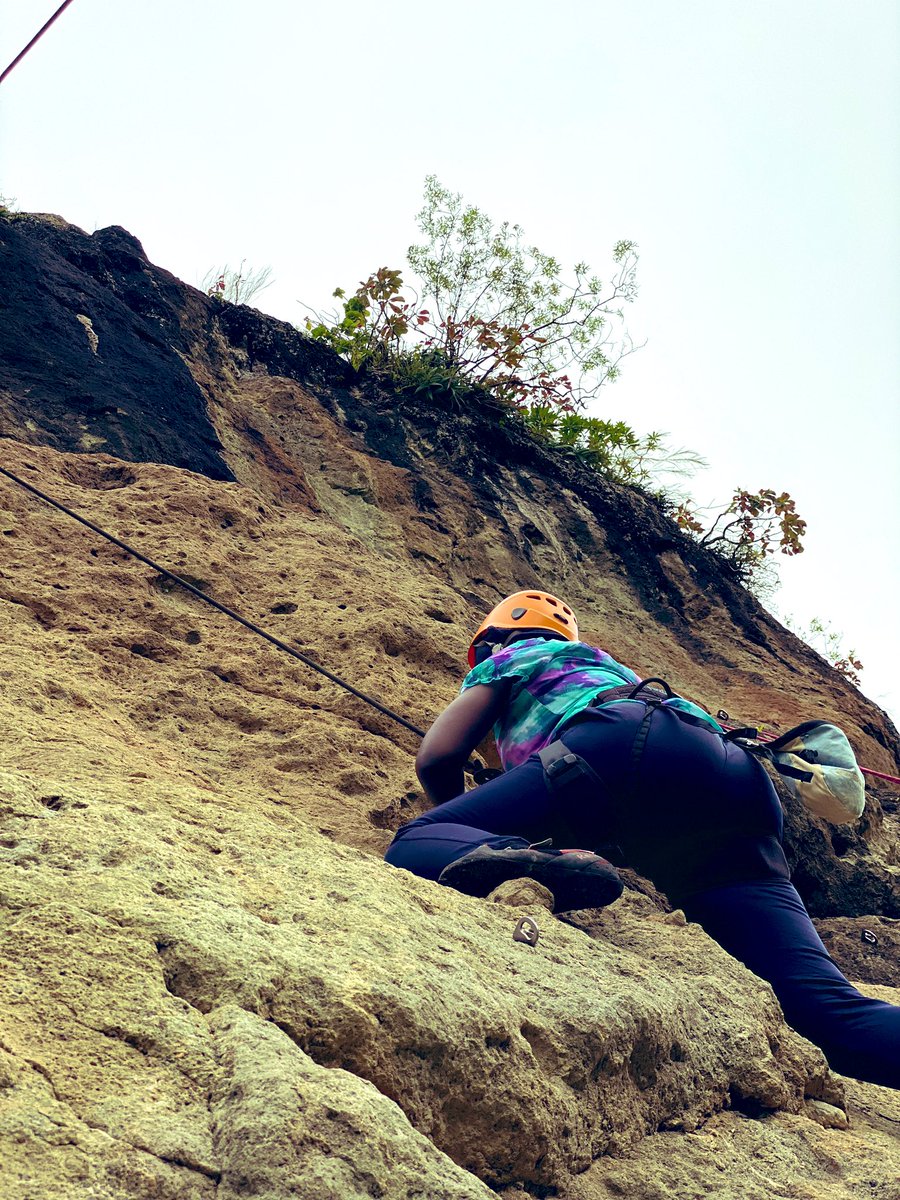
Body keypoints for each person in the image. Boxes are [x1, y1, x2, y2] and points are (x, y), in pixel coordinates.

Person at [385, 590, 900, 1089]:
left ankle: (534, 863)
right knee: (824, 1014)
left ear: (494, 641)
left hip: (622, 750)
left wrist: (459, 822)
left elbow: (438, 758)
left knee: (416, 842)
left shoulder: (515, 654)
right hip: (737, 785)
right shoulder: (614, 671)